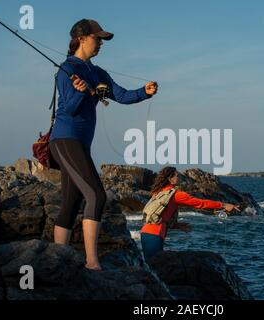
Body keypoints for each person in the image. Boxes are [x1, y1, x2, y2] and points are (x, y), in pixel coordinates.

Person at [49, 19, 158, 271]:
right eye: (98, 38)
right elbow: (71, 107)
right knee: (96, 195)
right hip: (65, 139)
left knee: (71, 202)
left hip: (80, 144)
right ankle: (91, 262)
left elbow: (120, 96)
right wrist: (80, 91)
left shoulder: (99, 73)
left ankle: (57, 258)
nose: (101, 43)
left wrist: (144, 91)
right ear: (82, 38)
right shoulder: (67, 69)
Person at [140, 167, 240, 260]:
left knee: (152, 266)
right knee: (155, 265)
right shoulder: (176, 194)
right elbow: (200, 203)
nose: (179, 177)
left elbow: (160, 215)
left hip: (145, 232)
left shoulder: (158, 192)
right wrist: (222, 205)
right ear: (170, 179)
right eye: (176, 176)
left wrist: (176, 225)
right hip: (155, 234)